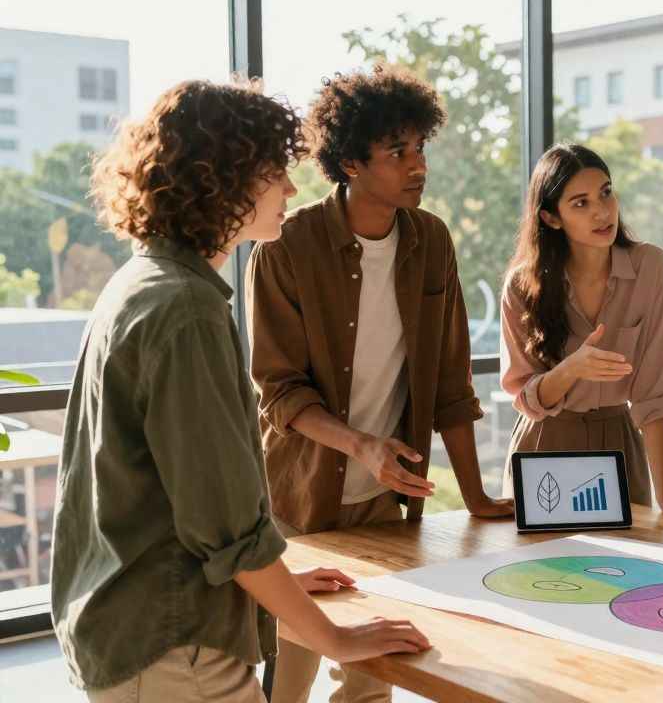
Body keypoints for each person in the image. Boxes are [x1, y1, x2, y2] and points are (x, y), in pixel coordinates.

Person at [51, 78, 429, 703]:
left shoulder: (142, 282)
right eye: (274, 172)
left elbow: (162, 499)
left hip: (135, 628)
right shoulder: (186, 310)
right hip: (173, 645)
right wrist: (335, 640)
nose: (290, 190)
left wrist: (282, 582)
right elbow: (224, 523)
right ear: (222, 178)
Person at [246, 63, 510, 703]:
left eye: (420, 147)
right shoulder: (284, 246)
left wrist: (475, 496)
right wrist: (360, 443)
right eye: (397, 151)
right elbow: (280, 391)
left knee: (371, 682)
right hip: (297, 501)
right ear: (350, 163)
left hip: (382, 509)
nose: (418, 164)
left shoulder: (431, 239)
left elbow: (449, 381)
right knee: (288, 683)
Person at [499, 143, 663, 518]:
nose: (602, 211)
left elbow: (654, 392)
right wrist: (571, 369)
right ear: (551, 218)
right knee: (542, 557)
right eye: (581, 203)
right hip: (544, 444)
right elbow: (527, 397)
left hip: (619, 443)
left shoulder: (651, 266)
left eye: (606, 193)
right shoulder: (521, 286)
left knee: (629, 555)